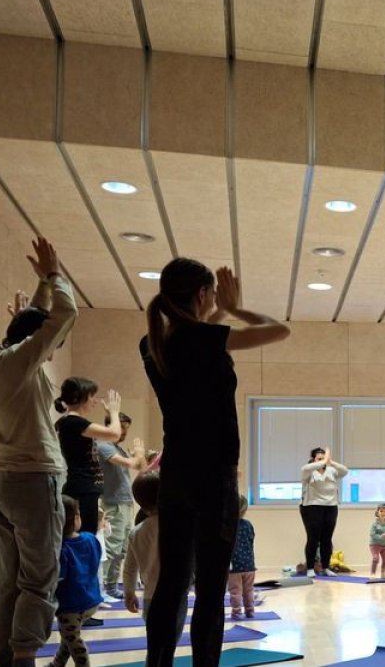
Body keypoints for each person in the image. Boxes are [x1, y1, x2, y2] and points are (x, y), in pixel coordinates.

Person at [139, 259, 289, 667]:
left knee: (171, 583)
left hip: (177, 475)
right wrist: (237, 307)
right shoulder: (204, 338)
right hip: (214, 476)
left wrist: (217, 309)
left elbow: (200, 331)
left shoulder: (152, 341)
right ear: (202, 295)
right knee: (208, 588)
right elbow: (280, 330)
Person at [0, 238, 77, 667]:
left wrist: (36, 294)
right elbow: (64, 316)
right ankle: (23, 658)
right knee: (39, 578)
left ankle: (6, 657)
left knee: (12, 581)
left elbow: (23, 331)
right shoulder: (19, 361)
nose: (50, 352)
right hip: (33, 481)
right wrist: (54, 277)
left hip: (1, 482)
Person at [54, 378, 123, 536]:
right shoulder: (73, 422)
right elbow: (115, 434)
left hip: (84, 488)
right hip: (82, 488)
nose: (96, 401)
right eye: (93, 396)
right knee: (85, 536)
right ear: (80, 397)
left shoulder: (71, 422)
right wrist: (114, 412)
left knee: (87, 535)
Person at [97, 413, 147, 598]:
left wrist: (140, 456)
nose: (124, 432)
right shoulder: (104, 446)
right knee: (111, 548)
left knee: (122, 548)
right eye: (122, 428)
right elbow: (129, 462)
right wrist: (138, 455)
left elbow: (141, 468)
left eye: (126, 428)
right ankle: (102, 589)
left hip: (125, 502)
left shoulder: (119, 448)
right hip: (113, 504)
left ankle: (111, 586)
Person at [52, 496, 103, 667]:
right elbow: (95, 561)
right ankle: (58, 662)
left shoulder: (60, 549)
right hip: (91, 600)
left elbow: (59, 578)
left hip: (71, 605)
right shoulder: (90, 538)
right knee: (68, 636)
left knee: (73, 639)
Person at [299, 447, 348, 577]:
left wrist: (330, 462)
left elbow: (345, 471)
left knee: (327, 539)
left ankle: (326, 567)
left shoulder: (331, 470)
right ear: (313, 459)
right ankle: (310, 567)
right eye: (319, 458)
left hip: (331, 506)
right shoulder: (308, 471)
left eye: (323, 457)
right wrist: (323, 460)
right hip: (312, 507)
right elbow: (305, 469)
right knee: (313, 538)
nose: (322, 461)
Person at [123, 472, 161, 617]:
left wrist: (129, 593)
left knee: (154, 635)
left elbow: (130, 569)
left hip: (150, 594)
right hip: (176, 592)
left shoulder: (136, 533)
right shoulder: (177, 526)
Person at [228, 495, 256, 620]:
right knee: (248, 590)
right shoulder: (248, 525)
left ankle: (236, 612)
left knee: (235, 591)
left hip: (234, 565)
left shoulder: (228, 525)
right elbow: (251, 539)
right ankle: (250, 611)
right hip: (249, 564)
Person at [369, 504, 385, 579]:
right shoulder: (374, 524)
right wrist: (380, 537)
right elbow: (372, 534)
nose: (383, 513)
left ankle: (383, 574)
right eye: (381, 511)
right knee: (376, 558)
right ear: (377, 512)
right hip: (374, 545)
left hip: (383, 545)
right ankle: (372, 574)